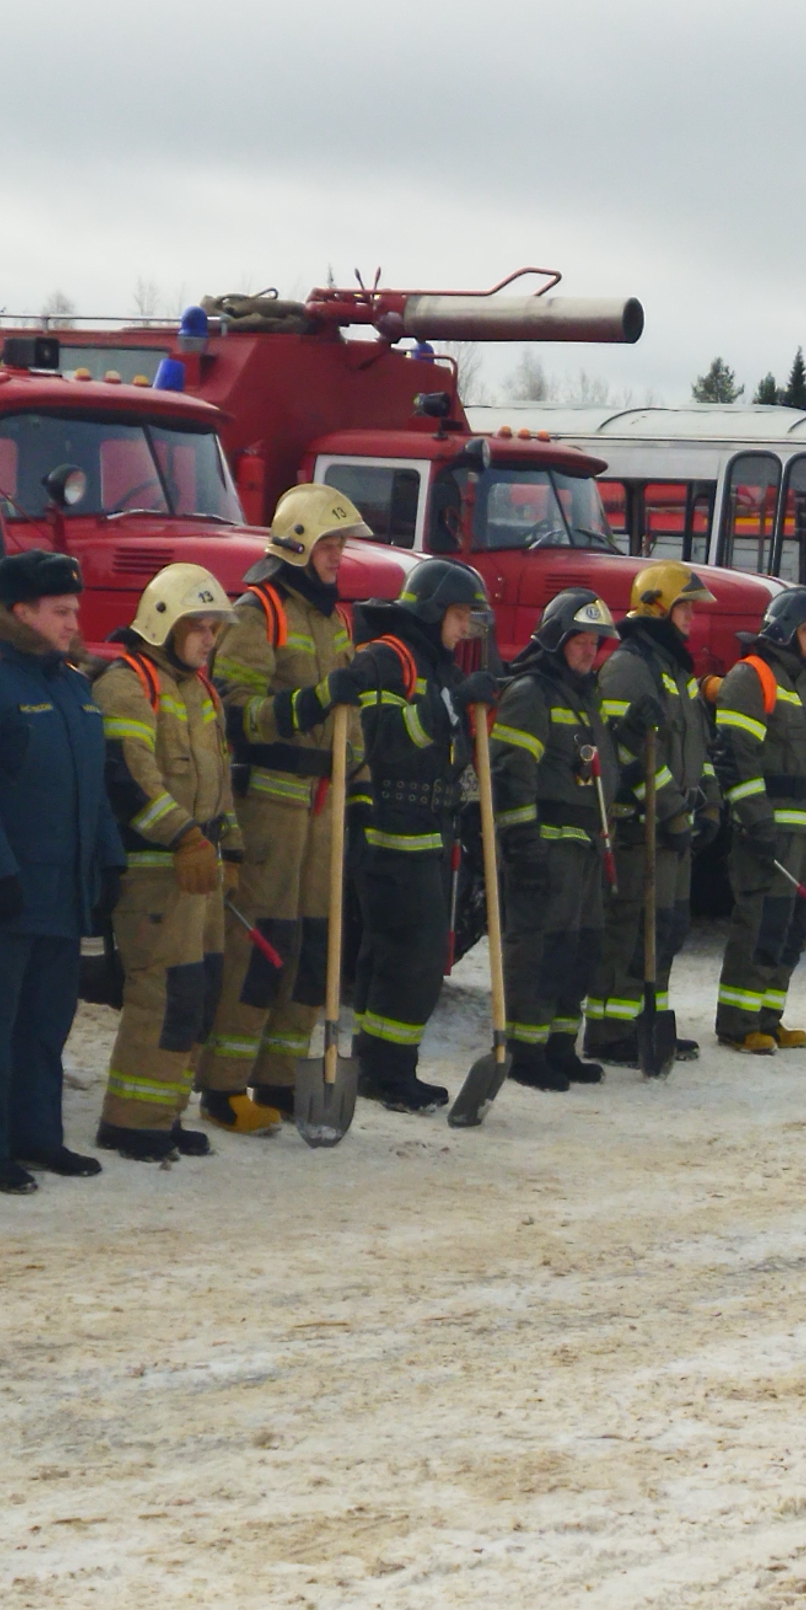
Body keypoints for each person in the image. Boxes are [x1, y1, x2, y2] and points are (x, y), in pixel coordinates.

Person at [198, 482, 395, 1135]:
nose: (341, 557)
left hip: (326, 808)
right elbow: (235, 711)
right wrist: (311, 702)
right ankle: (224, 1087)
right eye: (331, 545)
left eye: (343, 545)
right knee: (263, 947)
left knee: (314, 953)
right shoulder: (259, 612)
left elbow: (351, 721)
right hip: (273, 808)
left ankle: (280, 1080)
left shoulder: (335, 618)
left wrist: (361, 793)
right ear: (299, 544)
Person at [0, 549, 120, 1192]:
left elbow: (89, 785)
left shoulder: (70, 683)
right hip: (8, 889)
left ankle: (38, 1135)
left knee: (48, 1020)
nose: (75, 622)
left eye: (75, 609)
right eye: (61, 611)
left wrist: (108, 861)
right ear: (22, 612)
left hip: (63, 884)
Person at [92, 561, 241, 1160]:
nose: (210, 639)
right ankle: (131, 1122)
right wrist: (183, 838)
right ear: (163, 623)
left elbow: (220, 777)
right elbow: (131, 781)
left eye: (214, 627)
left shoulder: (198, 686)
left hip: (198, 865)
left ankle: (165, 1111)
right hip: (156, 867)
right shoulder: (127, 685)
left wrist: (228, 846)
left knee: (198, 991)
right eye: (199, 626)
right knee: (163, 991)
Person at [344, 557, 495, 1111]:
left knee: (409, 954)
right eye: (458, 615)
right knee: (410, 955)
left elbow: (452, 752)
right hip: (390, 829)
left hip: (433, 827)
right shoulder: (388, 660)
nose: (464, 627)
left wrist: (476, 808)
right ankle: (386, 1071)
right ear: (431, 612)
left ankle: (383, 1066)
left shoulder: (441, 667)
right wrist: (450, 705)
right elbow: (380, 738)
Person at [493, 587, 618, 1086]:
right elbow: (510, 772)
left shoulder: (586, 697)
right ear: (555, 640)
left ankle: (561, 1045)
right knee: (538, 948)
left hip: (585, 846)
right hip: (545, 844)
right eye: (580, 641)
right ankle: (527, 1053)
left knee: (578, 947)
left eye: (596, 643)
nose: (590, 652)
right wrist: (523, 844)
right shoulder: (531, 693)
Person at [594, 561, 714, 1061]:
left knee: (666, 929)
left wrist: (709, 805)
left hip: (672, 830)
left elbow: (696, 749)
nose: (692, 617)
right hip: (640, 830)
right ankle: (609, 1032)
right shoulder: (628, 668)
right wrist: (673, 812)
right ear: (657, 608)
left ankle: (650, 1020)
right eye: (684, 607)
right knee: (631, 931)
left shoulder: (674, 670)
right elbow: (635, 758)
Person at [709, 583, 806, 1050]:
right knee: (761, 921)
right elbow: (736, 756)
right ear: (783, 630)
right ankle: (739, 1022)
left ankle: (769, 1014)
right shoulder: (752, 677)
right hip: (770, 829)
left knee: (794, 926)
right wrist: (755, 818)